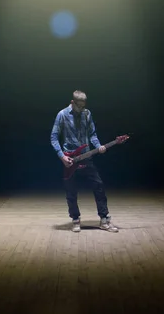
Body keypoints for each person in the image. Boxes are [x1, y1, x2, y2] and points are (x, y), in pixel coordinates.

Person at [50, 90, 119, 233]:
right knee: (71, 192)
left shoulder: (87, 114)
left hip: (87, 157)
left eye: (83, 106)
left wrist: (98, 145)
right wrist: (62, 156)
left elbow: (92, 134)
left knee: (99, 186)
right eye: (78, 106)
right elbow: (54, 137)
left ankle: (104, 220)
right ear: (72, 103)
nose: (81, 109)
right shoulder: (62, 115)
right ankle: (75, 220)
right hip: (70, 159)